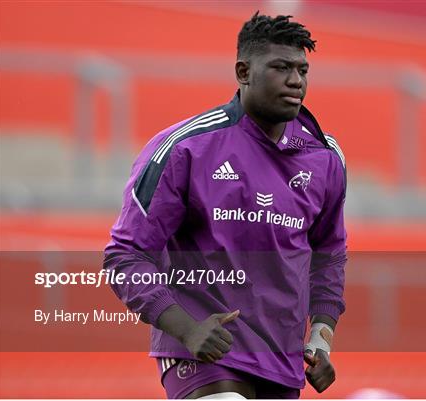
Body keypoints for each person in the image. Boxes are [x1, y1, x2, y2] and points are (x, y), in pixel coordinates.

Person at [104, 11, 347, 399]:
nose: (296, 80)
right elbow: (126, 255)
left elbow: (329, 254)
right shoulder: (186, 148)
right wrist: (186, 328)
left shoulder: (325, 156)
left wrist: (321, 335)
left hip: (280, 358)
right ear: (243, 71)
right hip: (200, 351)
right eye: (281, 67)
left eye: (302, 69)